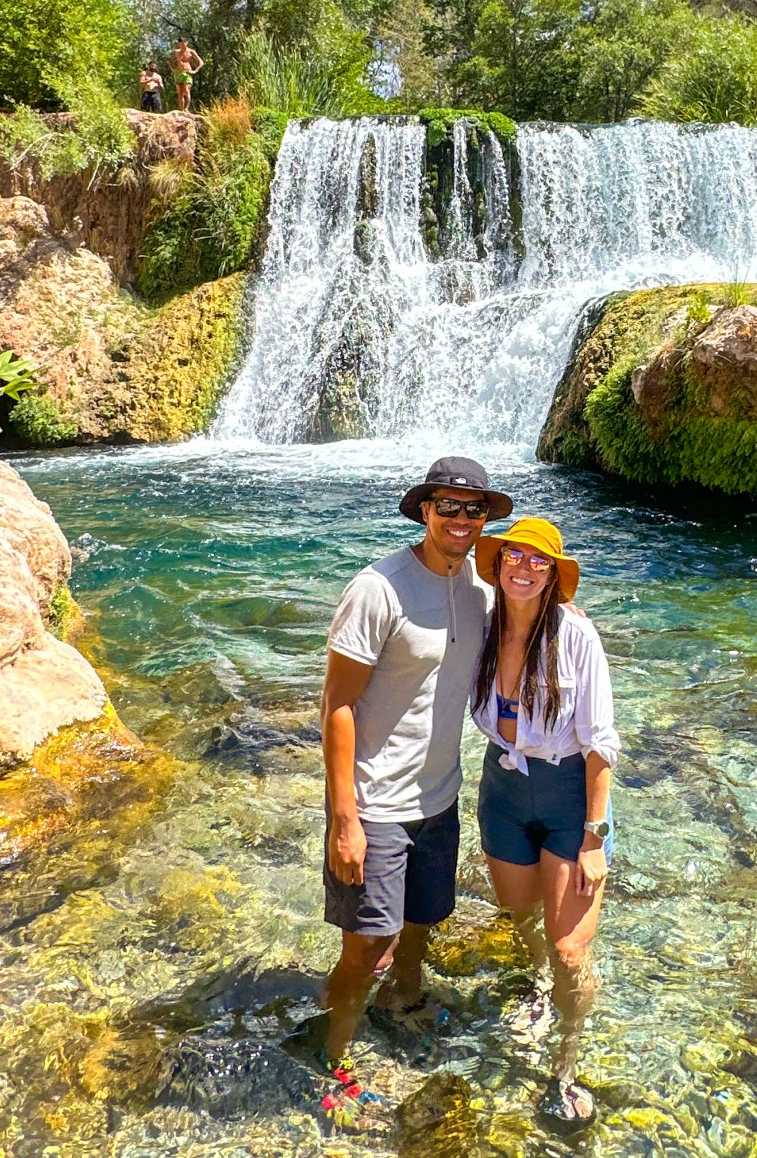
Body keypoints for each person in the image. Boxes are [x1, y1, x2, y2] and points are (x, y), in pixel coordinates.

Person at [315, 456, 513, 1116]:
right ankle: (334, 1056)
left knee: (424, 922)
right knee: (368, 942)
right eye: (447, 506)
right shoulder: (379, 589)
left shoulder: (480, 592)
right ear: (424, 511)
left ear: (486, 520)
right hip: (374, 802)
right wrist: (345, 817)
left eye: (473, 509)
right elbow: (337, 706)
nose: (460, 519)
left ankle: (404, 1001)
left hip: (439, 796)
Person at [471, 516, 619, 1130]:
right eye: (515, 556)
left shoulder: (576, 635)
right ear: (499, 563)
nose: (525, 568)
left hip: (565, 793)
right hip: (502, 787)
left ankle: (567, 1061)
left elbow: (602, 743)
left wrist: (594, 837)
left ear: (555, 576)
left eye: (540, 561)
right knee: (517, 913)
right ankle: (535, 988)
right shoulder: (479, 628)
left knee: (569, 949)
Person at [168, 39, 204, 111]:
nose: (182, 44)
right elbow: (169, 61)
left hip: (187, 72)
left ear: (186, 43)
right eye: (180, 43)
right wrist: (172, 69)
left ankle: (186, 108)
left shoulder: (191, 51)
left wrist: (195, 71)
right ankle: (182, 110)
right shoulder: (176, 52)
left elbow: (201, 62)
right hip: (179, 73)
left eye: (183, 43)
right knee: (180, 92)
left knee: (187, 89)